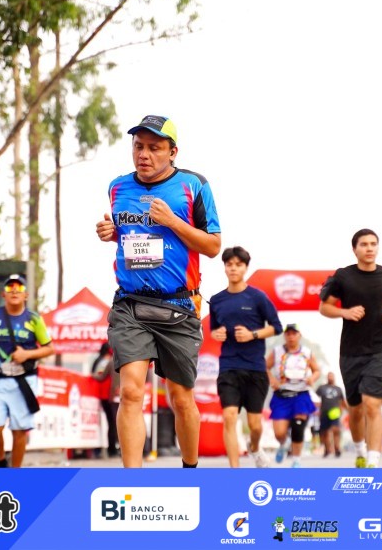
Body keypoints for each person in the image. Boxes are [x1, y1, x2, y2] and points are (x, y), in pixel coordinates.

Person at [95, 114, 221, 468]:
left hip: (179, 306)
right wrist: (112, 234)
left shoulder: (194, 185)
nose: (144, 154)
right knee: (131, 391)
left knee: (181, 399)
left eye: (154, 148)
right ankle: (131, 484)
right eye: (139, 146)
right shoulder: (117, 187)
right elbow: (131, 238)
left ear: (172, 152)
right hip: (130, 304)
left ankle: (190, 470)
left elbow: (213, 246)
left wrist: (172, 221)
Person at [318, 228, 382, 468]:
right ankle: (360, 450)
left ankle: (373, 460)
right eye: (364, 244)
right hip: (350, 351)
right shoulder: (343, 276)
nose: (369, 248)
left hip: (379, 348)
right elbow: (324, 307)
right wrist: (345, 312)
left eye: (373, 244)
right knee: (356, 409)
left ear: (377, 247)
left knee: (372, 404)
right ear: (354, 249)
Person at [209, 246, 282, 468]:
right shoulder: (216, 300)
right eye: (229, 264)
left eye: (238, 265)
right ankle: (235, 471)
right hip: (229, 366)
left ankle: (255, 447)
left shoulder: (258, 297)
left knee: (255, 425)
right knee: (229, 416)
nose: (233, 268)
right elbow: (214, 330)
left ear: (246, 268)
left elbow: (276, 327)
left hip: (255, 368)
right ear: (225, 268)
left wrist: (253, 334)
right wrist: (216, 334)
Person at [0, 274, 55, 468]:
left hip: (24, 381)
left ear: (25, 295)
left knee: (19, 431)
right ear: (3, 294)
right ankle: (1, 462)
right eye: (9, 287)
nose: (14, 290)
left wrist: (27, 354)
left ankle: (15, 473)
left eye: (18, 288)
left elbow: (49, 348)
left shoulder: (34, 319)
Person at [266, 324, 321, 468]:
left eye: (294, 334)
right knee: (279, 433)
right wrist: (272, 380)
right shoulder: (277, 351)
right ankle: (284, 444)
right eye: (288, 334)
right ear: (284, 336)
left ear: (299, 335)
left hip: (301, 394)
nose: (291, 337)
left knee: (298, 427)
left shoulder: (307, 352)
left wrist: (312, 378)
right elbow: (265, 367)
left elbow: (317, 370)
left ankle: (296, 460)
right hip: (282, 395)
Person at [91, 342, 120, 458]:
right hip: (119, 396)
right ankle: (115, 449)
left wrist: (92, 375)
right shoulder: (124, 361)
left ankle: (112, 449)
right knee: (116, 423)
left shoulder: (109, 362)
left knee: (113, 423)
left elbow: (101, 376)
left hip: (111, 396)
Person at [315, 372, 349, 458]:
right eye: (329, 376)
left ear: (334, 377)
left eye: (331, 376)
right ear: (327, 377)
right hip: (324, 412)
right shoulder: (322, 388)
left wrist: (348, 411)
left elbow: (342, 401)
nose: (330, 377)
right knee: (324, 431)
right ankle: (327, 449)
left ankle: (337, 448)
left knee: (335, 430)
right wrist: (315, 408)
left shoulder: (338, 389)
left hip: (335, 411)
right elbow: (315, 398)